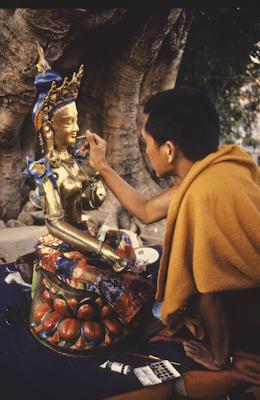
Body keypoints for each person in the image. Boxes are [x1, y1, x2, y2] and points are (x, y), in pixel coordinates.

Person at [84, 87, 260, 384]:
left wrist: (220, 358)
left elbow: (208, 292)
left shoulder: (202, 196)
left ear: (168, 149)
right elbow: (148, 209)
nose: (146, 151)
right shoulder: (222, 169)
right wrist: (102, 166)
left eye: (147, 143)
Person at [25, 44, 152, 354]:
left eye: (76, 119)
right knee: (99, 276)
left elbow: (91, 203)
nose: (77, 127)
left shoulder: (71, 162)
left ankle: (128, 307)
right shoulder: (46, 170)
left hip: (82, 234)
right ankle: (119, 315)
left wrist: (97, 171)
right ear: (50, 129)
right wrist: (101, 253)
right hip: (59, 246)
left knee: (125, 243)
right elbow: (55, 224)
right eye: (68, 122)